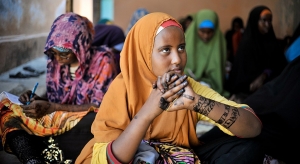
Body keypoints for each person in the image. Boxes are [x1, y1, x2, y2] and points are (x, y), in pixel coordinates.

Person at [75, 12, 264, 164]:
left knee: (250, 147)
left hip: (180, 155)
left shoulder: (186, 87)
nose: (177, 59)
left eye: (181, 48)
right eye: (166, 50)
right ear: (144, 54)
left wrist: (197, 102)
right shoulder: (122, 89)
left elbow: (253, 127)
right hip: (135, 157)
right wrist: (148, 113)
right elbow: (109, 159)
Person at [0, 12, 117, 163]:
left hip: (84, 122)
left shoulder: (104, 61)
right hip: (58, 119)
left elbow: (101, 107)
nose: (57, 59)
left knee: (95, 121)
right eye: (53, 52)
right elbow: (56, 102)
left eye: (64, 53)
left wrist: (51, 107)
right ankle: (32, 158)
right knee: (6, 109)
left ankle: (41, 145)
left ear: (80, 46)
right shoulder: (54, 64)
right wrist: (36, 100)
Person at [228, 5, 287, 103]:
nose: (267, 24)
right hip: (249, 90)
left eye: (269, 21)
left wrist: (264, 75)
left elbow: (279, 67)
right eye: (263, 21)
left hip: (270, 88)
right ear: (255, 21)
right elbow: (240, 77)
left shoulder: (273, 43)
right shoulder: (246, 44)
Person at [184, 9, 229, 97]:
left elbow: (217, 75)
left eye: (210, 32)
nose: (206, 36)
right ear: (196, 28)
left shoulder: (219, 42)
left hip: (212, 88)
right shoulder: (187, 41)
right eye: (202, 31)